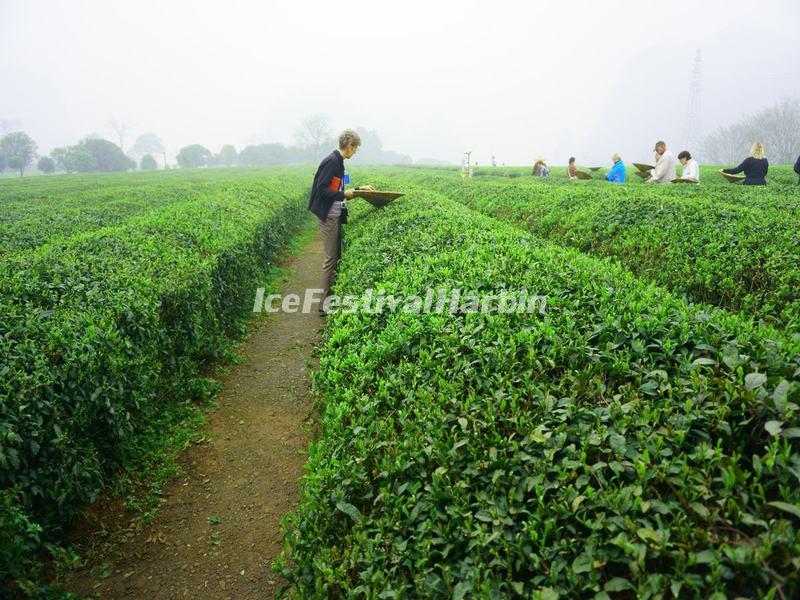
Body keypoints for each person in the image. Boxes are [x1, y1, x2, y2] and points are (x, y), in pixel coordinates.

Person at [308, 129, 371, 316]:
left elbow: (338, 189)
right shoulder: (332, 161)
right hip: (328, 217)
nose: (356, 152)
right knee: (330, 259)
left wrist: (359, 190)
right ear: (350, 146)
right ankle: (323, 305)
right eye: (356, 148)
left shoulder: (339, 162)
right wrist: (344, 193)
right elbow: (321, 190)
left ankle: (331, 299)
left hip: (335, 214)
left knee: (336, 257)